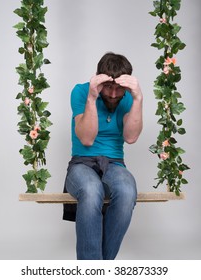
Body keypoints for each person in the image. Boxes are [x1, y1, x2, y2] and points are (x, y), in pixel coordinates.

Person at [63, 52, 143, 260]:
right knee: (91, 189)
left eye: (120, 89)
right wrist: (92, 97)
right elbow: (87, 139)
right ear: (99, 79)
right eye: (109, 87)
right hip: (81, 163)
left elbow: (131, 137)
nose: (114, 94)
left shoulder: (127, 98)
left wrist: (137, 98)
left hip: (115, 163)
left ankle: (100, 268)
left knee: (127, 190)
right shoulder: (81, 92)